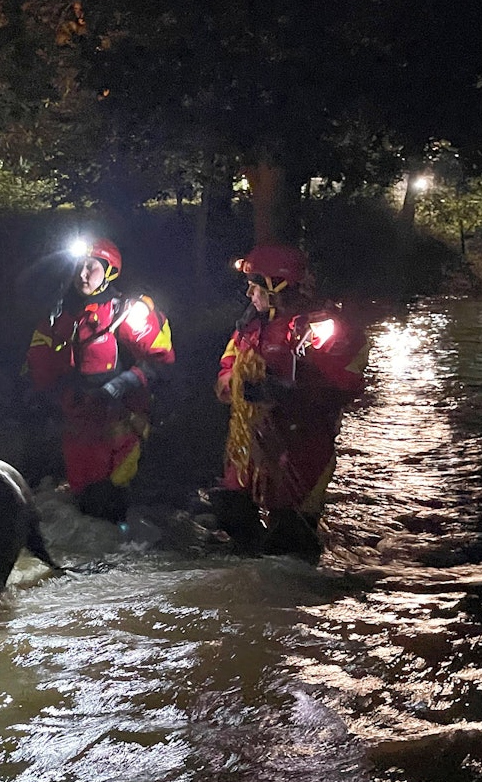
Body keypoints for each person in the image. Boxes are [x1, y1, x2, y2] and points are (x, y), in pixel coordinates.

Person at [205, 243, 369, 558]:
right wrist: (229, 380)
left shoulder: (318, 328)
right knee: (231, 509)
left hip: (301, 448)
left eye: (255, 287)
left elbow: (346, 383)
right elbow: (230, 359)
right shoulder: (251, 325)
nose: (249, 295)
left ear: (277, 286)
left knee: (291, 542)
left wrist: (282, 390)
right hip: (252, 444)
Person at [24, 237, 175, 521]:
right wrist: (38, 397)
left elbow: (161, 362)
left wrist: (119, 385)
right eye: (78, 266)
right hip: (77, 429)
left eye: (90, 267)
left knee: (111, 504)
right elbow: (39, 366)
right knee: (83, 506)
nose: (82, 274)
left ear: (109, 271)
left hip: (118, 427)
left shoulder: (127, 311)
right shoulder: (58, 316)